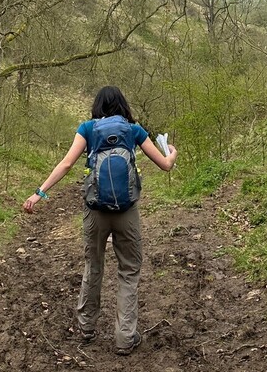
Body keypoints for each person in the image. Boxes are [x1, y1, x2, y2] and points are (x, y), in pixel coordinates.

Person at [23, 86, 177, 355]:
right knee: (129, 271)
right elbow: (164, 165)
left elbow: (67, 164)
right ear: (122, 105)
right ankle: (124, 337)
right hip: (126, 212)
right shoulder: (134, 129)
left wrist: (40, 193)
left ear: (97, 106)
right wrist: (171, 154)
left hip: (95, 210)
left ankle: (86, 328)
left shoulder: (88, 129)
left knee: (93, 266)